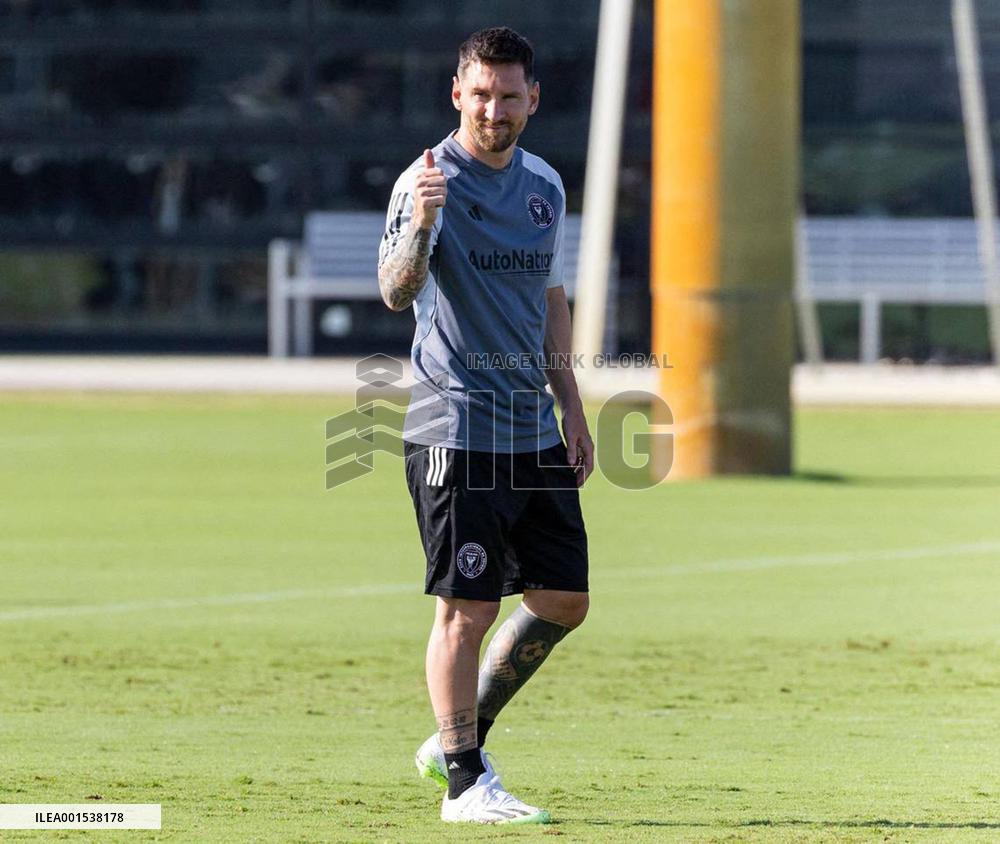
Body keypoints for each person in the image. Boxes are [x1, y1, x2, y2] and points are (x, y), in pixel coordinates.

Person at [377, 26, 592, 825]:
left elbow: (550, 296)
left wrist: (571, 405)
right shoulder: (424, 180)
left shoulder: (545, 185)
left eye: (508, 95)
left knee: (565, 598)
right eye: (480, 94)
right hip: (453, 428)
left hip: (531, 428)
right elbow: (395, 292)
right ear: (456, 93)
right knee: (465, 612)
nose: (493, 109)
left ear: (532, 99)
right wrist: (425, 226)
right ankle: (466, 784)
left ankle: (455, 742)